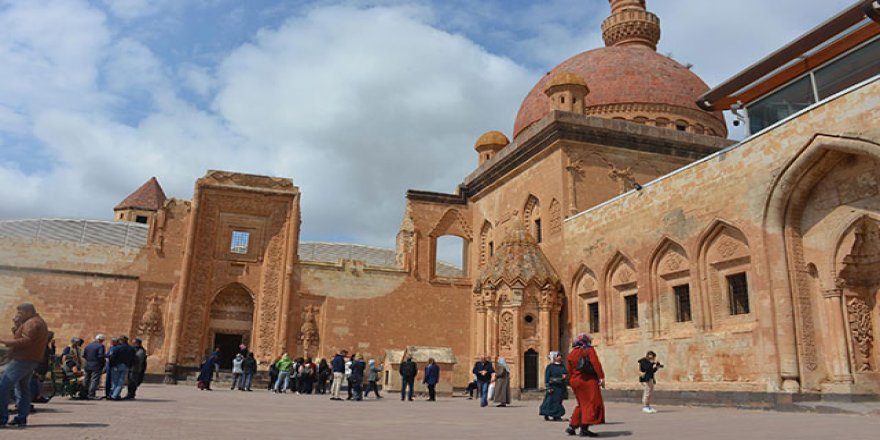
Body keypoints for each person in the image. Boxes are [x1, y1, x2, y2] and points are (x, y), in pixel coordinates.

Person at [0, 303, 50, 428]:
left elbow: (26, 340)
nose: (18, 315)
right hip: (31, 359)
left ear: (28, 312)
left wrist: (4, 341)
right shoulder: (36, 322)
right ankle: (21, 417)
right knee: (23, 389)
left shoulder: (32, 323)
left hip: (22, 359)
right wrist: (17, 326)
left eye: (20, 313)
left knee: (3, 386)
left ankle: (2, 417)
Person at [566, 334, 605, 437]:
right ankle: (584, 428)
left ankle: (572, 426)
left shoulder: (572, 353)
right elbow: (596, 363)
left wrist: (570, 381)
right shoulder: (589, 350)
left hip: (575, 381)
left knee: (581, 404)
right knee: (592, 403)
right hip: (587, 380)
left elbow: (569, 370)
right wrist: (601, 377)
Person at [540, 351, 567, 421]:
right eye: (558, 356)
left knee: (558, 401)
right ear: (554, 357)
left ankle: (556, 415)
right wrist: (548, 387)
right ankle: (546, 413)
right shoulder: (550, 367)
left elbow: (565, 373)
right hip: (553, 387)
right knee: (549, 401)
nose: (560, 357)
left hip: (560, 387)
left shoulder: (562, 366)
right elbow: (547, 377)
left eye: (560, 355)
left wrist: (565, 377)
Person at [108, 336, 135, 400]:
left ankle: (114, 395)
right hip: (126, 366)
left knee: (115, 381)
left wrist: (111, 365)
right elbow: (133, 358)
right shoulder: (131, 349)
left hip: (116, 365)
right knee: (121, 381)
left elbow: (112, 357)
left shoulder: (117, 348)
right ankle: (116, 395)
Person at [80, 334, 106, 400]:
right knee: (94, 380)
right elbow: (100, 356)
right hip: (96, 365)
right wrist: (103, 363)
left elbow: (84, 355)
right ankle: (91, 394)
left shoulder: (88, 345)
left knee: (86, 379)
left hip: (87, 364)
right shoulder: (101, 346)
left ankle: (83, 393)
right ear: (102, 340)